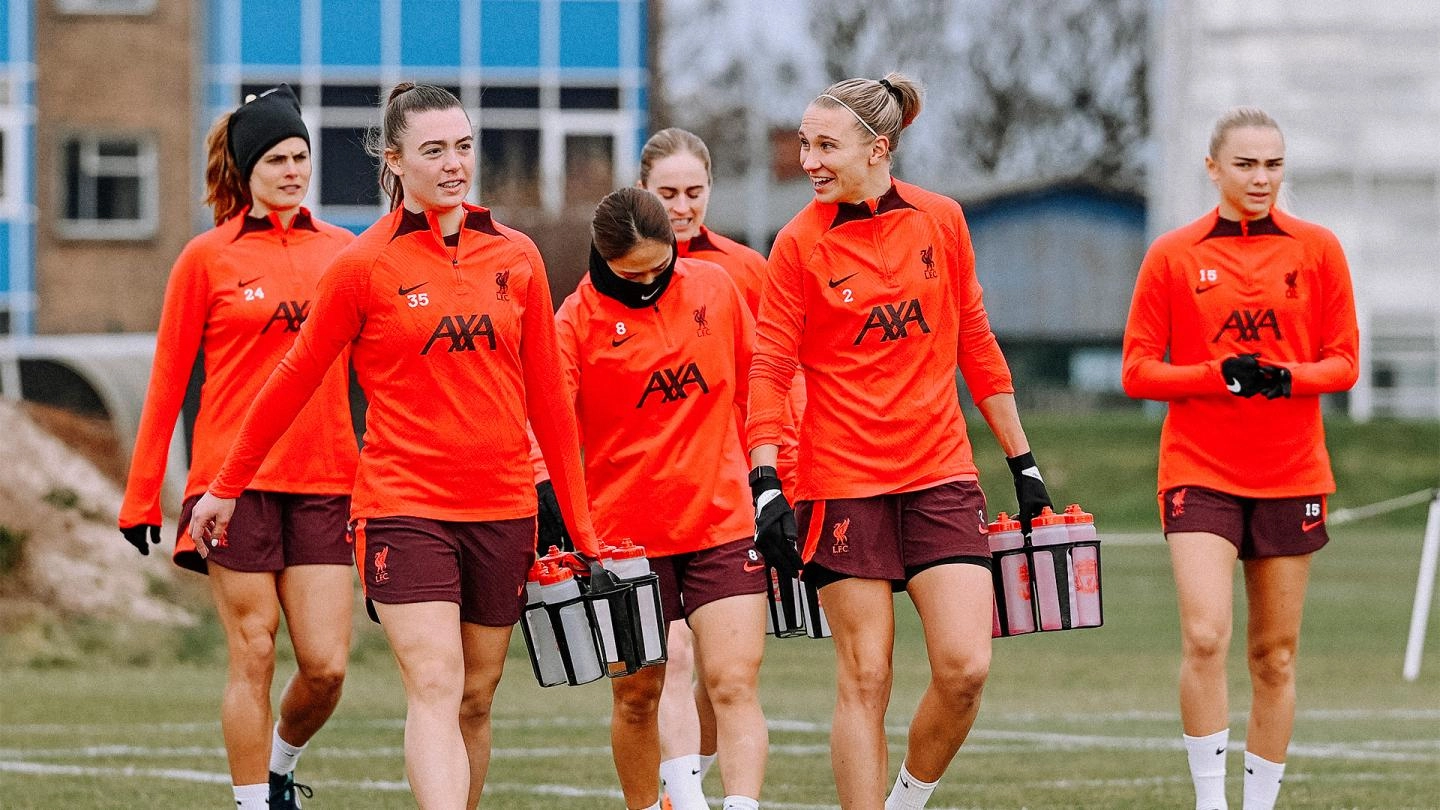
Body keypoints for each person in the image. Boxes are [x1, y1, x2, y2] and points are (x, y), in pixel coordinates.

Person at [187, 83, 600, 810]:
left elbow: (551, 407)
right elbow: (288, 383)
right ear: (395, 161)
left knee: (476, 696)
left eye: (463, 147)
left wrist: (582, 524)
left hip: (502, 506)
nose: (453, 164)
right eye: (434, 150)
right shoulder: (362, 265)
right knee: (435, 683)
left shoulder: (521, 257)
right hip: (404, 507)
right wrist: (224, 485)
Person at [745, 73, 1054, 810]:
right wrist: (766, 483)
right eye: (805, 144)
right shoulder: (797, 243)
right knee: (867, 676)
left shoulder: (942, 220)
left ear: (878, 148)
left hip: (940, 471)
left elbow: (976, 343)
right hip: (841, 480)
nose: (809, 160)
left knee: (965, 667)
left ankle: (906, 799)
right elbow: (768, 368)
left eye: (826, 145)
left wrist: (1024, 462)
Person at [117, 84, 357, 810]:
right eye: (277, 158)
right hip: (231, 486)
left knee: (326, 667)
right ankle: (255, 804)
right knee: (253, 651)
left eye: (301, 156)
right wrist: (140, 495)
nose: (292, 169)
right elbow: (164, 386)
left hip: (326, 479)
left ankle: (280, 767)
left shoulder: (346, 253)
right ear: (246, 170)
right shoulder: (205, 259)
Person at [1121, 106, 1358, 810]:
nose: (1262, 178)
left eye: (1274, 164)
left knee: (1274, 655)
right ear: (1213, 168)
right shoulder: (1173, 254)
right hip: (1200, 470)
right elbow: (1136, 369)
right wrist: (1213, 373)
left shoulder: (1318, 249)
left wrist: (1288, 377)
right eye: (1247, 164)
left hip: (1292, 473)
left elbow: (1343, 362)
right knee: (1203, 634)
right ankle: (1210, 802)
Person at [537, 187, 768, 810]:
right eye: (630, 273)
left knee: (734, 682)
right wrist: (547, 498)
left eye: (660, 268)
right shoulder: (573, 323)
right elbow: (545, 424)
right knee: (637, 694)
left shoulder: (716, 290)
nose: (648, 283)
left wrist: (778, 481)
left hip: (722, 521)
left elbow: (762, 390)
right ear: (601, 257)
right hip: (625, 542)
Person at [635, 127, 800, 807]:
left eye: (694, 192)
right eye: (667, 193)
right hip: (644, 502)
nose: (682, 205)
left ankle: (699, 790)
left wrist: (783, 470)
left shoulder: (744, 269)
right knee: (668, 661)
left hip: (729, 497)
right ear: (643, 192)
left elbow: (780, 375)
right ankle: (679, 795)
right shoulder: (611, 280)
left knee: (726, 676)